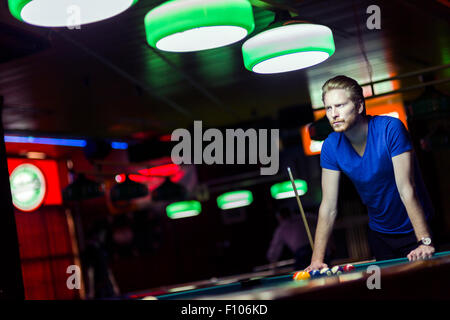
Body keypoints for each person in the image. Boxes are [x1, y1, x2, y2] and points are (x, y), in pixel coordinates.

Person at [305, 75, 435, 272]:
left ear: (359, 106)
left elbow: (406, 189)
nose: (334, 114)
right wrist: (316, 260)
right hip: (380, 235)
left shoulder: (390, 129)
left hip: (417, 229)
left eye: (340, 105)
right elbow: (328, 206)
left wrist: (424, 241)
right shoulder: (331, 146)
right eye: (329, 108)